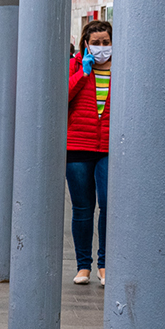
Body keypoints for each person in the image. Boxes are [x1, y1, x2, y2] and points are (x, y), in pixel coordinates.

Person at [65, 19, 113, 288]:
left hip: (109, 148)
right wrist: (83, 74)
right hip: (78, 146)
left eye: (106, 43)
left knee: (107, 205)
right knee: (83, 209)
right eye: (96, 43)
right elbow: (64, 97)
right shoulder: (76, 66)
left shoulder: (121, 67)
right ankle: (83, 265)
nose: (101, 47)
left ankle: (105, 264)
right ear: (86, 44)